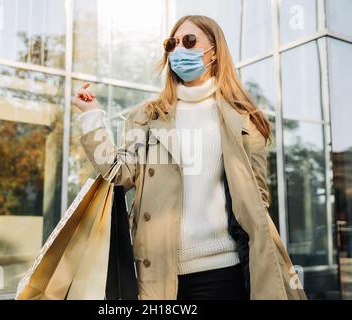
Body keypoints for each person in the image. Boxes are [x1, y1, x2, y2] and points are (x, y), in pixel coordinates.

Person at [72, 15, 307, 300]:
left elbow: (257, 199)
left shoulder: (244, 121)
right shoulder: (147, 117)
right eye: (172, 44)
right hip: (159, 273)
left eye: (190, 41)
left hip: (224, 271)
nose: (179, 50)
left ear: (215, 52)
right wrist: (93, 117)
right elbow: (119, 172)